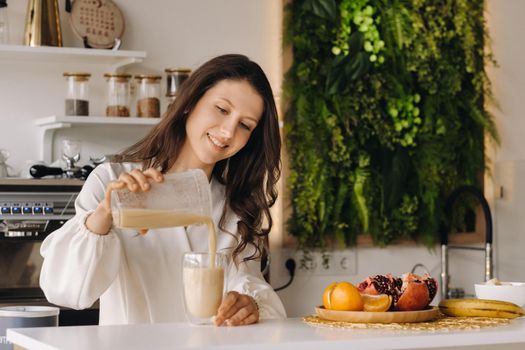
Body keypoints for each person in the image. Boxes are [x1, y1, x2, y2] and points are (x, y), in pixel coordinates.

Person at [39, 54, 286, 326]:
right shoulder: (111, 181)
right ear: (189, 104)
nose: (228, 132)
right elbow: (65, 291)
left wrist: (249, 305)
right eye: (222, 109)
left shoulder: (235, 207)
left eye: (244, 125)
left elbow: (252, 288)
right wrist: (104, 215)